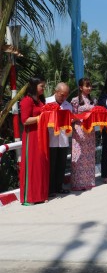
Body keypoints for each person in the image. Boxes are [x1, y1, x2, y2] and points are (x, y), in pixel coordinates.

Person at [20, 77, 48, 205]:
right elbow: (25, 120)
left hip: (42, 134)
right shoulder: (27, 100)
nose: (43, 88)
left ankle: (41, 195)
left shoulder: (41, 101)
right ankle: (30, 197)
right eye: (41, 86)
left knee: (41, 165)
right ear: (34, 86)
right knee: (32, 165)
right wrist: (40, 117)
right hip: (31, 136)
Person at [46, 82, 73, 196]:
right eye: (62, 95)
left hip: (63, 139)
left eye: (66, 95)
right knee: (51, 165)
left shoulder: (68, 106)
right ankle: (50, 189)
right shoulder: (47, 102)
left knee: (62, 164)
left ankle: (59, 186)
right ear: (56, 92)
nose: (64, 97)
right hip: (51, 138)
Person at [70, 77, 97, 191]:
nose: (89, 88)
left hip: (90, 130)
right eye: (87, 86)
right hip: (79, 130)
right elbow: (72, 116)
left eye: (90, 86)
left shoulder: (93, 100)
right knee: (79, 155)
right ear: (81, 87)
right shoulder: (75, 100)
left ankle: (89, 181)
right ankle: (78, 183)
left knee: (89, 156)